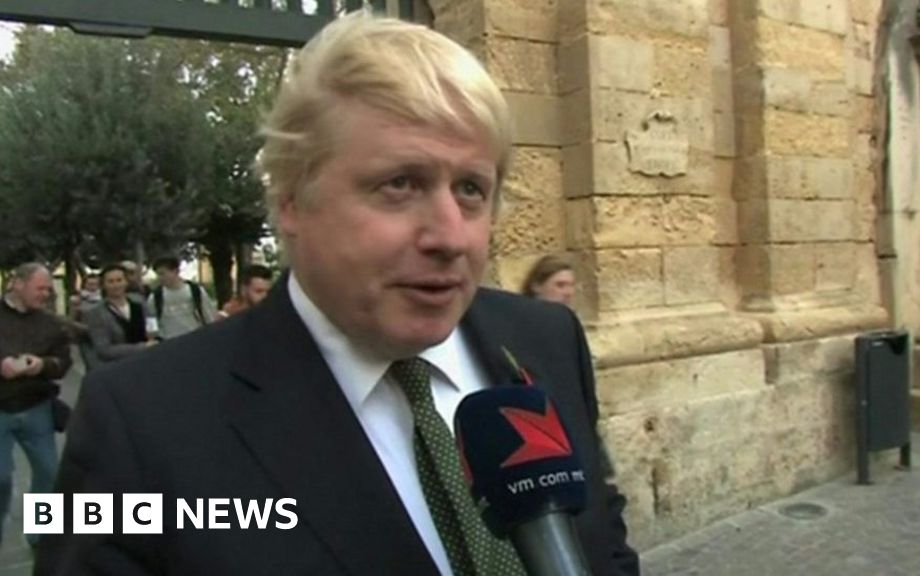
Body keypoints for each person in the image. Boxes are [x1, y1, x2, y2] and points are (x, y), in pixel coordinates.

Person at [36, 12, 637, 576]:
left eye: (472, 190)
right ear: (293, 199)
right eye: (401, 183)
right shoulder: (137, 420)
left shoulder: (546, 340)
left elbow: (606, 545)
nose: (450, 236)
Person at [0, 263, 70, 548]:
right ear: (17, 284)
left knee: (50, 475)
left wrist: (42, 364)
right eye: (40, 288)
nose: (46, 294)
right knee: (1, 480)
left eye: (49, 289)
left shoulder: (51, 324)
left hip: (36, 406)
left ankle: (40, 535)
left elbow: (63, 363)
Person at [83, 263, 157, 367]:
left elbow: (152, 323)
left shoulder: (139, 301)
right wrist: (142, 347)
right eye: (111, 282)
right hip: (119, 367)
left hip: (148, 361)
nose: (116, 285)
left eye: (119, 280)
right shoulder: (96, 313)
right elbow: (103, 350)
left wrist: (153, 336)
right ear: (103, 285)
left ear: (126, 282)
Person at [147, 255, 216, 340]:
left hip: (195, 339)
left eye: (162, 274)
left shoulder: (195, 291)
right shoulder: (155, 297)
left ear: (176, 271)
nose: (160, 278)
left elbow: (209, 317)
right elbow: (151, 323)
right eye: (158, 274)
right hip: (168, 342)